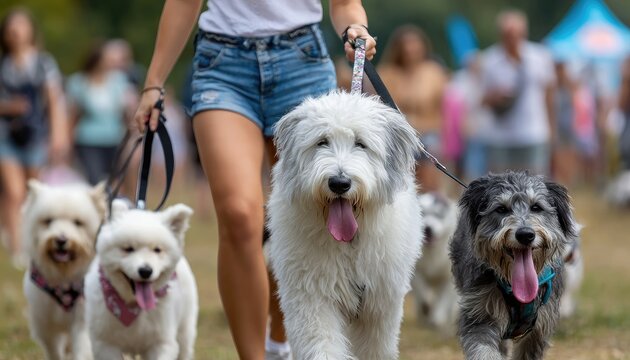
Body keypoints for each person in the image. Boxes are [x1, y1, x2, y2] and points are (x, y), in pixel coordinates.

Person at [133, 1, 376, 359]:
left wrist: (356, 28)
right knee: (238, 214)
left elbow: (344, 4)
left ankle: (283, 339)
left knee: (304, 218)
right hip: (222, 63)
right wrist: (153, 82)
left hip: (302, 62)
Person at [0, 8, 67, 267]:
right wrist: (9, 107)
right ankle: (18, 250)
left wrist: (59, 134)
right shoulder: (3, 66)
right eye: (11, 26)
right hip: (6, 135)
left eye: (20, 25)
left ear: (30, 30)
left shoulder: (43, 63)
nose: (15, 31)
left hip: (35, 136)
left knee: (34, 193)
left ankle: (35, 243)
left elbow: (54, 99)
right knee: (13, 192)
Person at [480, 10, 556, 175]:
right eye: (508, 34)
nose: (512, 38)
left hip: (533, 132)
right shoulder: (490, 60)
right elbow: (481, 99)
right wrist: (495, 97)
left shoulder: (539, 57)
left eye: (516, 33)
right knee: (500, 182)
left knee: (536, 182)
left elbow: (549, 94)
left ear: (524, 33)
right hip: (500, 136)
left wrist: (551, 126)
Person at [378, 25, 448, 192]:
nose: (410, 49)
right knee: (402, 184)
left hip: (428, 134)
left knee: (429, 181)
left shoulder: (434, 72)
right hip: (398, 134)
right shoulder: (387, 73)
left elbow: (443, 109)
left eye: (414, 44)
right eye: (406, 45)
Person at [66, 42, 136, 185]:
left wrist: (132, 133)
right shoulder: (79, 82)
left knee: (115, 180)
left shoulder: (119, 81)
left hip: (115, 138)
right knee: (95, 179)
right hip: (88, 139)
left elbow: (126, 111)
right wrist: (67, 140)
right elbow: (73, 114)